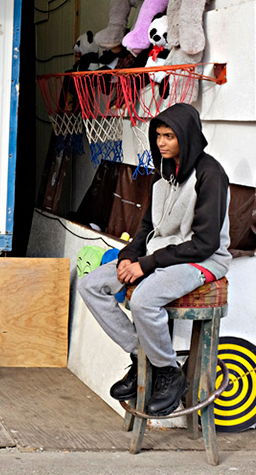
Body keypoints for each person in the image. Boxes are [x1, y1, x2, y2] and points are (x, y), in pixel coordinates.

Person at [77, 103, 230, 417]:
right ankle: (142, 357)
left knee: (144, 300)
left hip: (201, 260)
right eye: (158, 135)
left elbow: (204, 244)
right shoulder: (164, 173)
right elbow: (147, 227)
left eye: (169, 136)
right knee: (90, 285)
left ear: (186, 137)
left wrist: (145, 265)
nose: (161, 142)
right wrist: (128, 256)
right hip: (158, 254)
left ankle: (169, 372)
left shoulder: (210, 174)